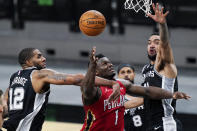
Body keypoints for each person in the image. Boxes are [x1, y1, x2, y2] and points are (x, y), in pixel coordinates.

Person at [1, 48, 121, 131]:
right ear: (28, 61)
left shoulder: (14, 77)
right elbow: (77, 79)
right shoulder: (39, 74)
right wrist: (112, 83)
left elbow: (4, 101)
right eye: (39, 56)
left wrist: (5, 111)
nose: (44, 58)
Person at [80, 47, 190, 131]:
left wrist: (171, 94)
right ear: (96, 71)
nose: (110, 65)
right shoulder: (93, 89)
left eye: (110, 62)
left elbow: (148, 91)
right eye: (105, 64)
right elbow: (87, 90)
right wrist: (91, 68)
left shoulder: (121, 85)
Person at [142, 3, 184, 131]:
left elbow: (165, 44)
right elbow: (145, 98)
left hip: (166, 124)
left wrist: (162, 25)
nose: (152, 45)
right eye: (149, 43)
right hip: (152, 124)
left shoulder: (166, 66)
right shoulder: (145, 69)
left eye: (156, 42)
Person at [117, 64, 145, 131]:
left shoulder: (144, 92)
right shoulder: (116, 98)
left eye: (129, 72)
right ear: (118, 76)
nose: (126, 75)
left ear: (134, 74)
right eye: (122, 72)